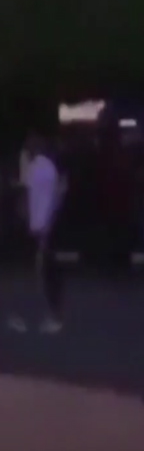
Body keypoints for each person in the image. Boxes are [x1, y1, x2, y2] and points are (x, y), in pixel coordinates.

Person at [8, 134, 65, 333]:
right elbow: (56, 197)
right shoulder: (51, 168)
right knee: (47, 272)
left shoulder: (33, 169)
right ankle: (53, 314)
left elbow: (25, 196)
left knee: (32, 273)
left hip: (34, 227)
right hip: (47, 225)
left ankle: (25, 316)